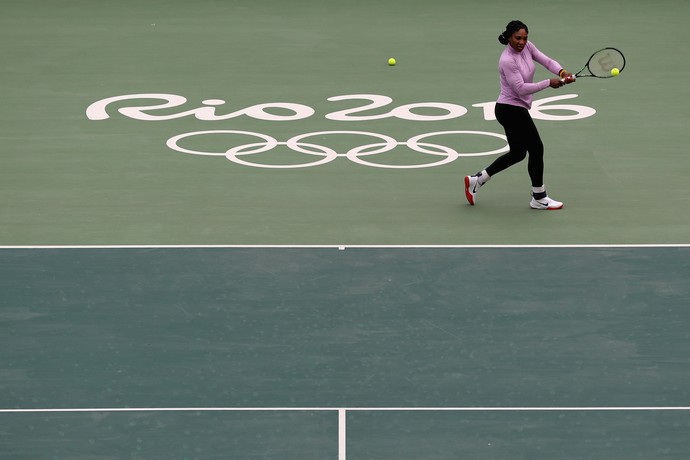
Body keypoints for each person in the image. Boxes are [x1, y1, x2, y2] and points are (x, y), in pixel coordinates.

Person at [464, 20, 574, 210]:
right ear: (508, 38)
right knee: (537, 148)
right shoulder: (507, 60)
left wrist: (561, 71)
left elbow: (545, 60)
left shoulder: (527, 47)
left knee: (518, 153)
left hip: (513, 109)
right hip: (510, 110)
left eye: (524, 38)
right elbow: (521, 89)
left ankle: (477, 180)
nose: (522, 42)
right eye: (517, 38)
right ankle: (539, 196)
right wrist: (550, 82)